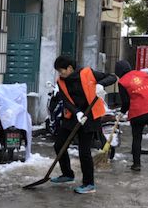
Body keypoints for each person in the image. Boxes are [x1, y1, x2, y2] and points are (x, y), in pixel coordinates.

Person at [50, 55, 116, 194]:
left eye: (61, 71)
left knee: (84, 151)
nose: (60, 74)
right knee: (59, 144)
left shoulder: (87, 73)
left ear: (70, 68)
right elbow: (65, 100)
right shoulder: (61, 81)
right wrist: (77, 113)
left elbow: (112, 77)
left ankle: (89, 183)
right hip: (73, 116)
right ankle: (67, 174)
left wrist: (101, 84)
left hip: (90, 116)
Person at [115, 59, 148, 171]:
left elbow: (126, 102)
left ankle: (136, 165)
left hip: (138, 113)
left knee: (137, 139)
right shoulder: (143, 74)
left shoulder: (122, 82)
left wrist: (122, 112)